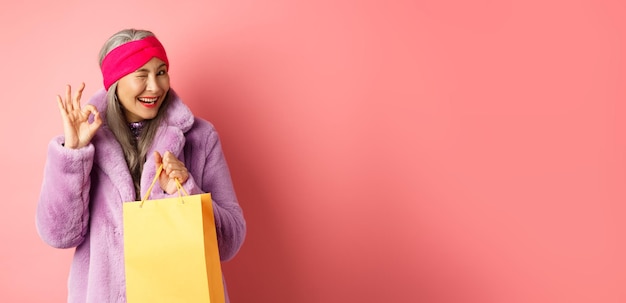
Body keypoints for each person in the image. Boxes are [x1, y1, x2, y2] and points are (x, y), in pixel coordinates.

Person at [35, 28, 246, 302]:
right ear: (116, 82)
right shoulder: (89, 141)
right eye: (141, 75)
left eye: (161, 72)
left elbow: (229, 242)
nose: (155, 87)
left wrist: (186, 190)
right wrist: (74, 155)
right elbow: (59, 235)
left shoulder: (200, 138)